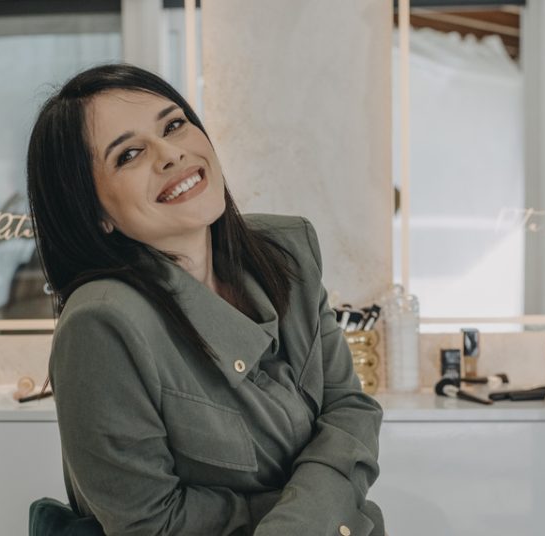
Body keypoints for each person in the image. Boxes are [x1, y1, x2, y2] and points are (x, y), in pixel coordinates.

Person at [27, 63, 385, 536]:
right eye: (129, 154)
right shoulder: (102, 324)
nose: (170, 154)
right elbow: (150, 525)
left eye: (173, 125)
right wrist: (325, 511)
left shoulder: (289, 251)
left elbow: (351, 410)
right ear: (94, 212)